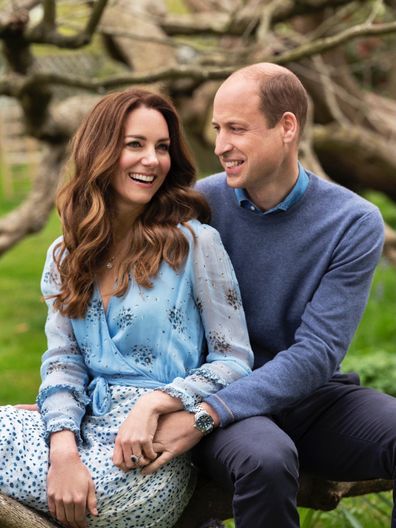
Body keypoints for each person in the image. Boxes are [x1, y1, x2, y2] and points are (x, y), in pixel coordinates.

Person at [140, 63, 396, 528]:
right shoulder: (201, 205)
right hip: (221, 393)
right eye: (218, 129)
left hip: (306, 398)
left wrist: (206, 416)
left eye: (237, 129)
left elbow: (318, 353)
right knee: (267, 460)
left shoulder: (352, 221)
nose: (220, 146)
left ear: (287, 127)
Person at [1, 88, 254, 528]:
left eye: (162, 148)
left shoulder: (195, 245)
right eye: (134, 144)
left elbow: (234, 360)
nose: (152, 161)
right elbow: (63, 362)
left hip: (151, 451)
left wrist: (157, 402)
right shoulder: (66, 254)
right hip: (81, 426)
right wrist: (61, 449)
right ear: (100, 151)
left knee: (99, 498)